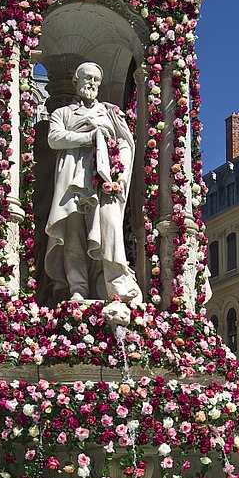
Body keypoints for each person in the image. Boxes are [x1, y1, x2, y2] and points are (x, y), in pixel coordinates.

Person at [44, 61, 143, 305]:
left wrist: (119, 173)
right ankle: (77, 288)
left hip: (104, 182)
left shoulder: (110, 113)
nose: (91, 84)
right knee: (73, 234)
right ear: (75, 82)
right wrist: (89, 137)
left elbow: (126, 143)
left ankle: (114, 284)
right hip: (72, 180)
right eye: (86, 78)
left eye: (96, 80)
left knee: (109, 229)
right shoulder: (63, 113)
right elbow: (54, 138)